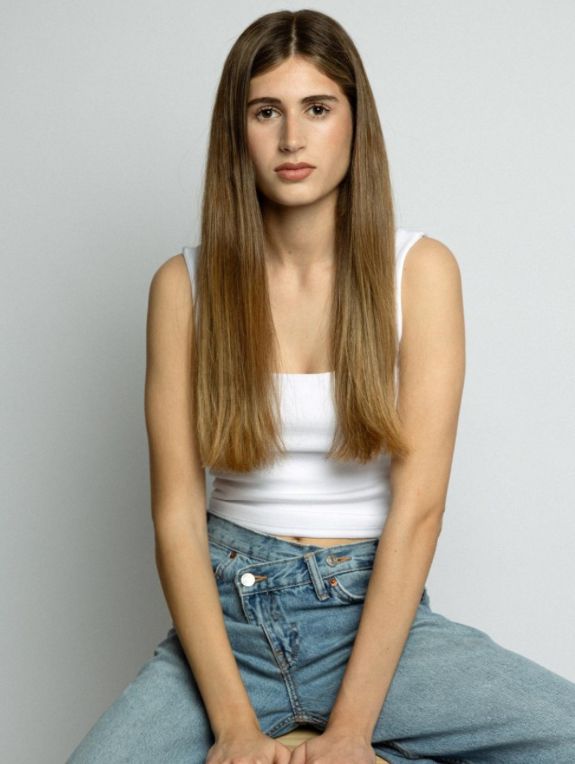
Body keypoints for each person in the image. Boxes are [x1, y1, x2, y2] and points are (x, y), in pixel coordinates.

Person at [67, 9, 575, 764]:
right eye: (264, 112)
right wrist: (234, 728)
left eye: (316, 108)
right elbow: (176, 517)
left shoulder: (419, 272)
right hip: (229, 620)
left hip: (370, 619)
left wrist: (351, 732)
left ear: (354, 123)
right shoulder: (183, 286)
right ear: (236, 131)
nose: (291, 140)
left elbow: (419, 509)